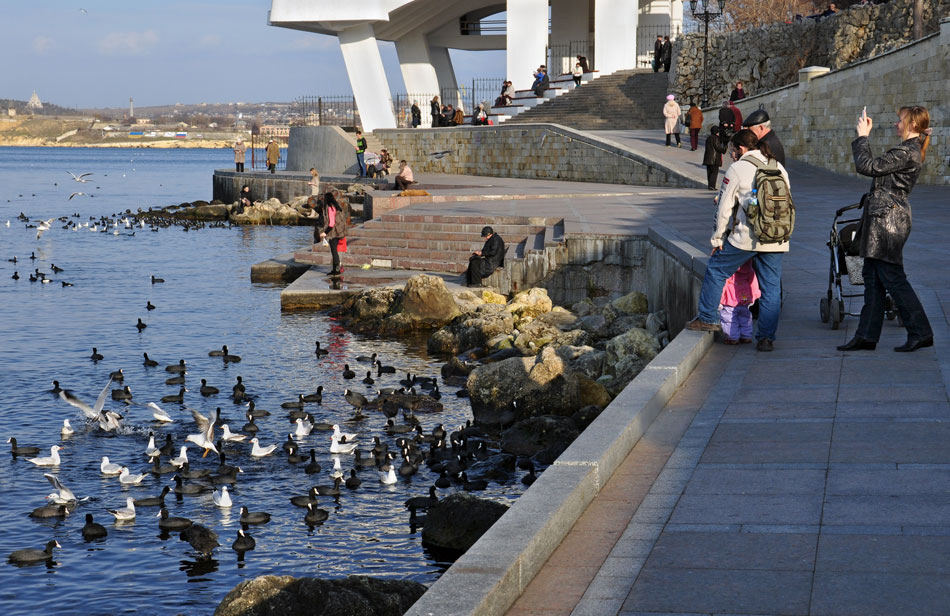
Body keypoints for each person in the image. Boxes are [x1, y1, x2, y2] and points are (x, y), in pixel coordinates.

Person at [837, 105, 933, 353]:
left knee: (893, 278)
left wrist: (862, 136)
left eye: (899, 120)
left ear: (911, 124)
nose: (895, 124)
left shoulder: (906, 152)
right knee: (872, 277)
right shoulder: (906, 150)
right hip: (883, 219)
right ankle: (866, 336)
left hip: (888, 223)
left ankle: (921, 332)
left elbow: (867, 166)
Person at [685, 129, 792, 352]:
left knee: (716, 269)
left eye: (733, 150)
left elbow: (724, 208)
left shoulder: (737, 169)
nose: (732, 155)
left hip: (747, 237)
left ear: (741, 149)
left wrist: (717, 239)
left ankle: (707, 317)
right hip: (776, 237)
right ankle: (765, 338)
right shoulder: (777, 166)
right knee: (771, 289)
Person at [719, 261, 760, 344]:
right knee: (745, 318)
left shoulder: (727, 270)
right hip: (745, 298)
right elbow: (754, 283)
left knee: (729, 319)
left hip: (730, 300)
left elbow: (722, 286)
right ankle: (746, 336)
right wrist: (755, 295)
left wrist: (719, 299)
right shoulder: (749, 269)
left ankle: (732, 337)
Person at [313, 192, 347, 276]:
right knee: (335, 251)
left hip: (335, 232)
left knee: (334, 251)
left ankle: (336, 271)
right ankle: (335, 269)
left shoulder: (330, 207)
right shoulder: (336, 205)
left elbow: (331, 223)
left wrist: (325, 232)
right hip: (340, 231)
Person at [703, 125, 728, 190]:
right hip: (714, 159)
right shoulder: (716, 138)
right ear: (716, 132)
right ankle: (712, 186)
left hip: (708, 158)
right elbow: (718, 148)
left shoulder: (708, 138)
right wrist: (724, 148)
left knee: (709, 172)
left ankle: (710, 185)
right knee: (714, 172)